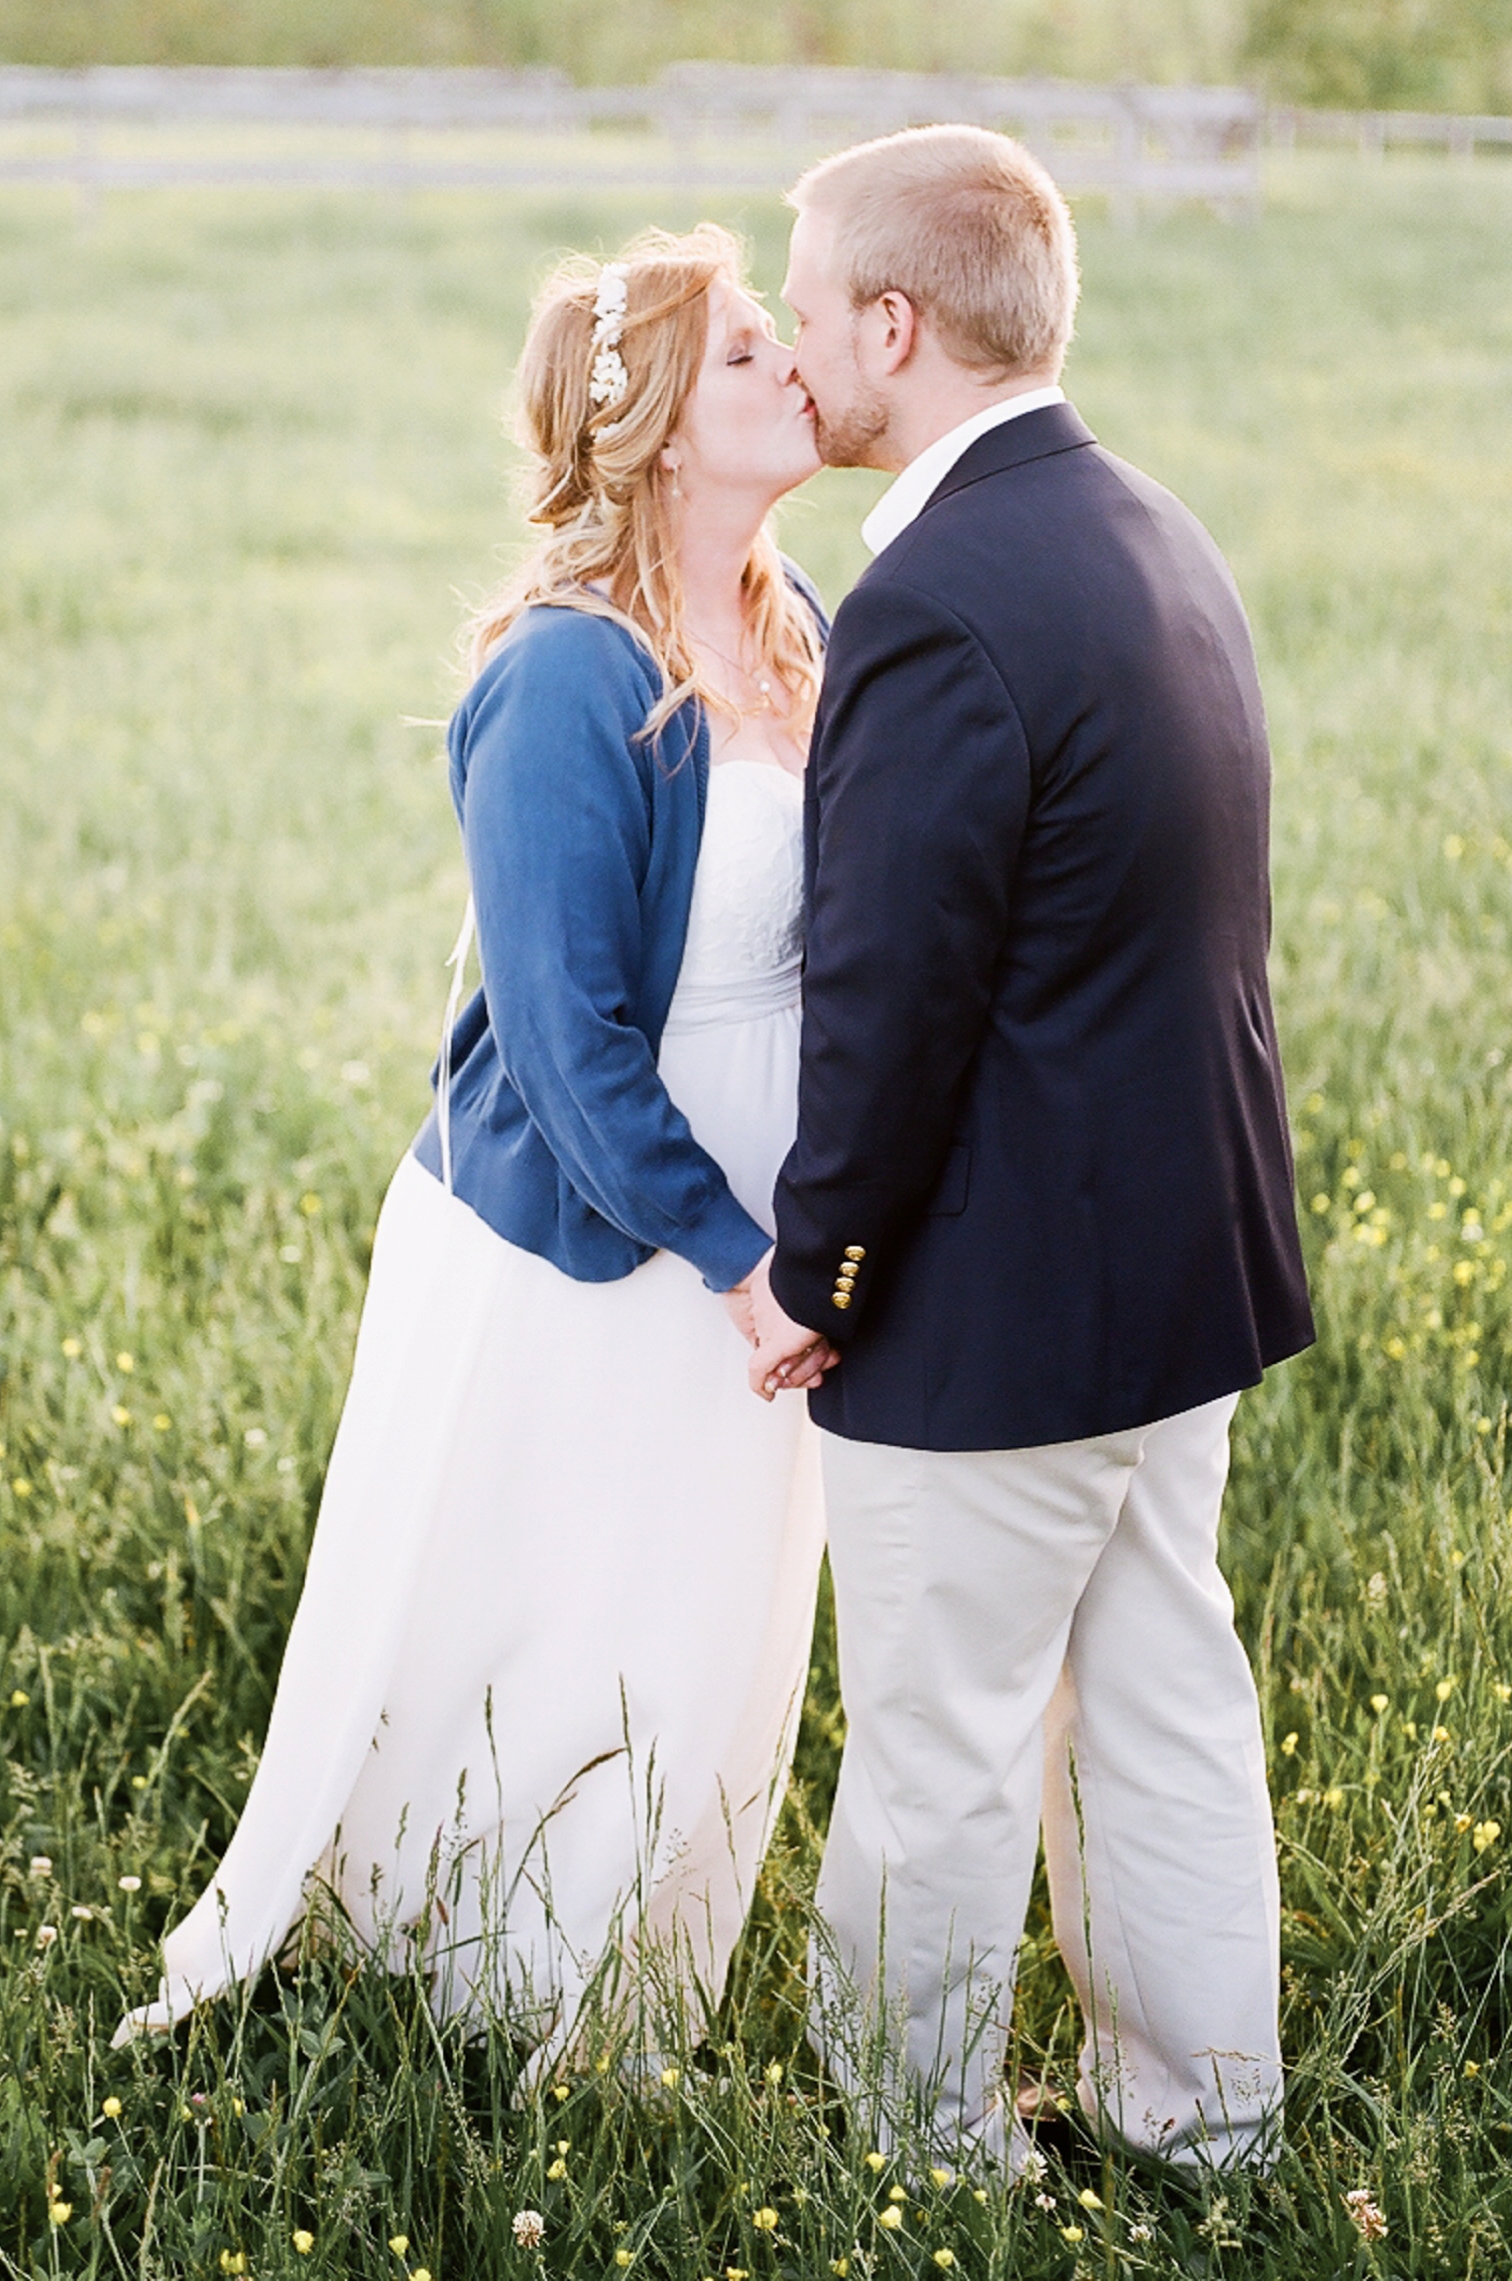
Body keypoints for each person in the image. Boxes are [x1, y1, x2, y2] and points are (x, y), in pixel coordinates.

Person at [114, 224, 832, 2064]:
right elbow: (565, 1038)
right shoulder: (566, 679)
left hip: (778, 1192)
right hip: (594, 1229)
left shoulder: (793, 625)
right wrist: (737, 1260)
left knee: (707, 1611)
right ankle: (467, 1983)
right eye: (754, 352)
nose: (800, 366)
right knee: (547, 1601)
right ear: (670, 424)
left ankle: (625, 1985)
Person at [738, 126, 1313, 2172]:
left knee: (943, 1741)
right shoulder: (1151, 524)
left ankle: (911, 2148)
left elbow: (893, 1004)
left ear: (892, 322)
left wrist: (820, 1274)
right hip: (1186, 1274)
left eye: (807, 314)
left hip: (997, 1300)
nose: (796, 355)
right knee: (1164, 1695)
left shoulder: (933, 596)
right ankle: (1204, 2116)